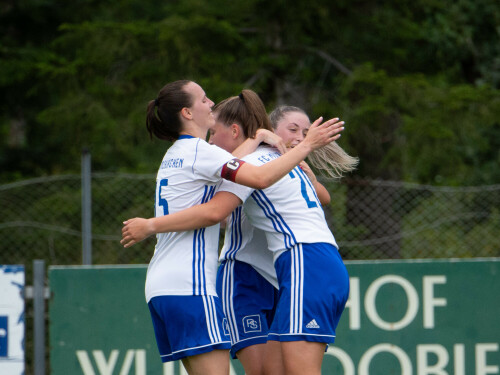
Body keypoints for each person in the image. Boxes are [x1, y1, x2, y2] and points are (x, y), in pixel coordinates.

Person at [121, 90, 351, 375]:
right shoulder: (276, 160)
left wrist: (151, 225)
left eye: (215, 131)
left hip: (303, 262)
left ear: (233, 130)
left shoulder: (241, 161)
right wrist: (293, 152)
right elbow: (320, 195)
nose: (211, 139)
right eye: (204, 99)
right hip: (311, 263)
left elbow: (217, 207)